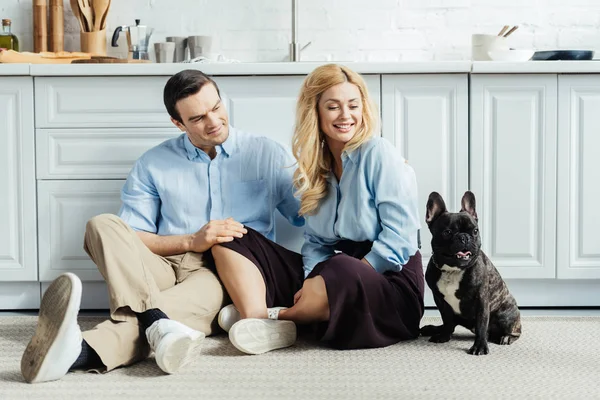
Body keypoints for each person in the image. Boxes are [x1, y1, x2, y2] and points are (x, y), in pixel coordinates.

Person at [20, 69, 306, 383]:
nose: (212, 121)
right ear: (178, 123)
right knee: (102, 225)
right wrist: (190, 241)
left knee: (168, 310)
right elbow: (134, 237)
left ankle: (81, 349)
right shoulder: (154, 163)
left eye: (216, 108)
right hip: (162, 263)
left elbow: (306, 216)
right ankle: (157, 321)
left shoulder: (265, 153)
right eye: (197, 118)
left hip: (224, 274)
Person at [277, 63, 425, 349]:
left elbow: (401, 237)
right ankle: (310, 307)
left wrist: (337, 277)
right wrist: (312, 281)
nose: (346, 116)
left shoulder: (377, 152)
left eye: (353, 106)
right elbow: (314, 243)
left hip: (391, 284)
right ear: (315, 113)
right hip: (342, 276)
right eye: (333, 107)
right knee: (247, 242)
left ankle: (279, 318)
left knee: (340, 266)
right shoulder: (316, 168)